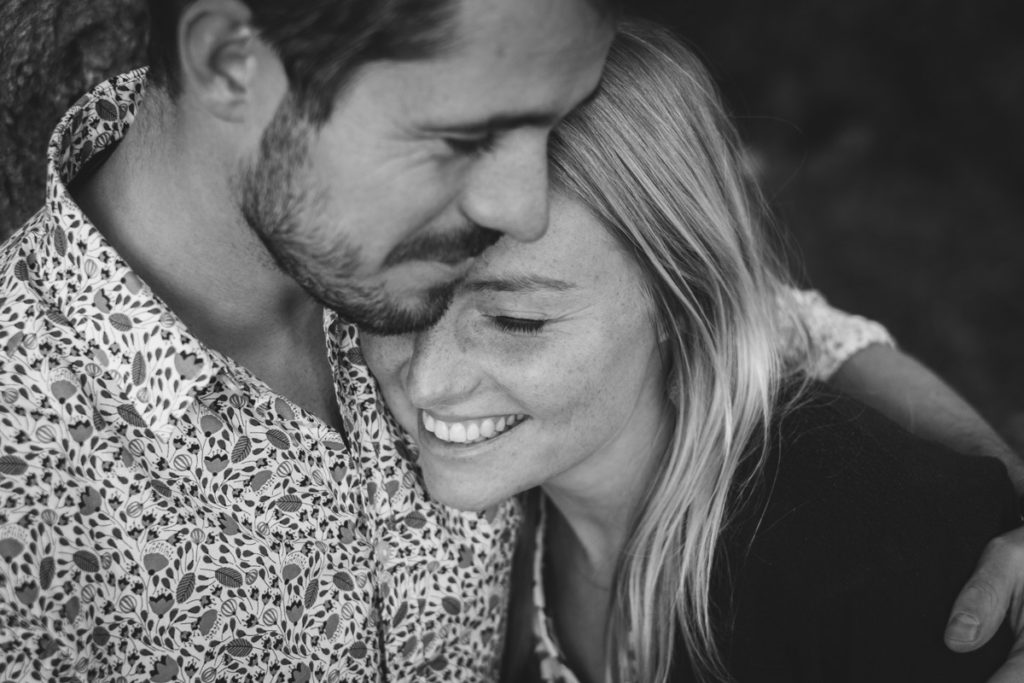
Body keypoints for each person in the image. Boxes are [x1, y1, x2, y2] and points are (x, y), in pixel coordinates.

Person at [0, 2, 1020, 681]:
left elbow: (714, 300)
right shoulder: (26, 465)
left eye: (546, 121)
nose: (514, 198)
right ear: (230, 61)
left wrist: (979, 501)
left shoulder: (380, 237)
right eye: (462, 136)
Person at [359, 20, 1020, 682]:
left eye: (515, 319)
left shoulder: (863, 547)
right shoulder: (512, 527)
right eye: (395, 301)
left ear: (682, 303)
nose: (425, 382)